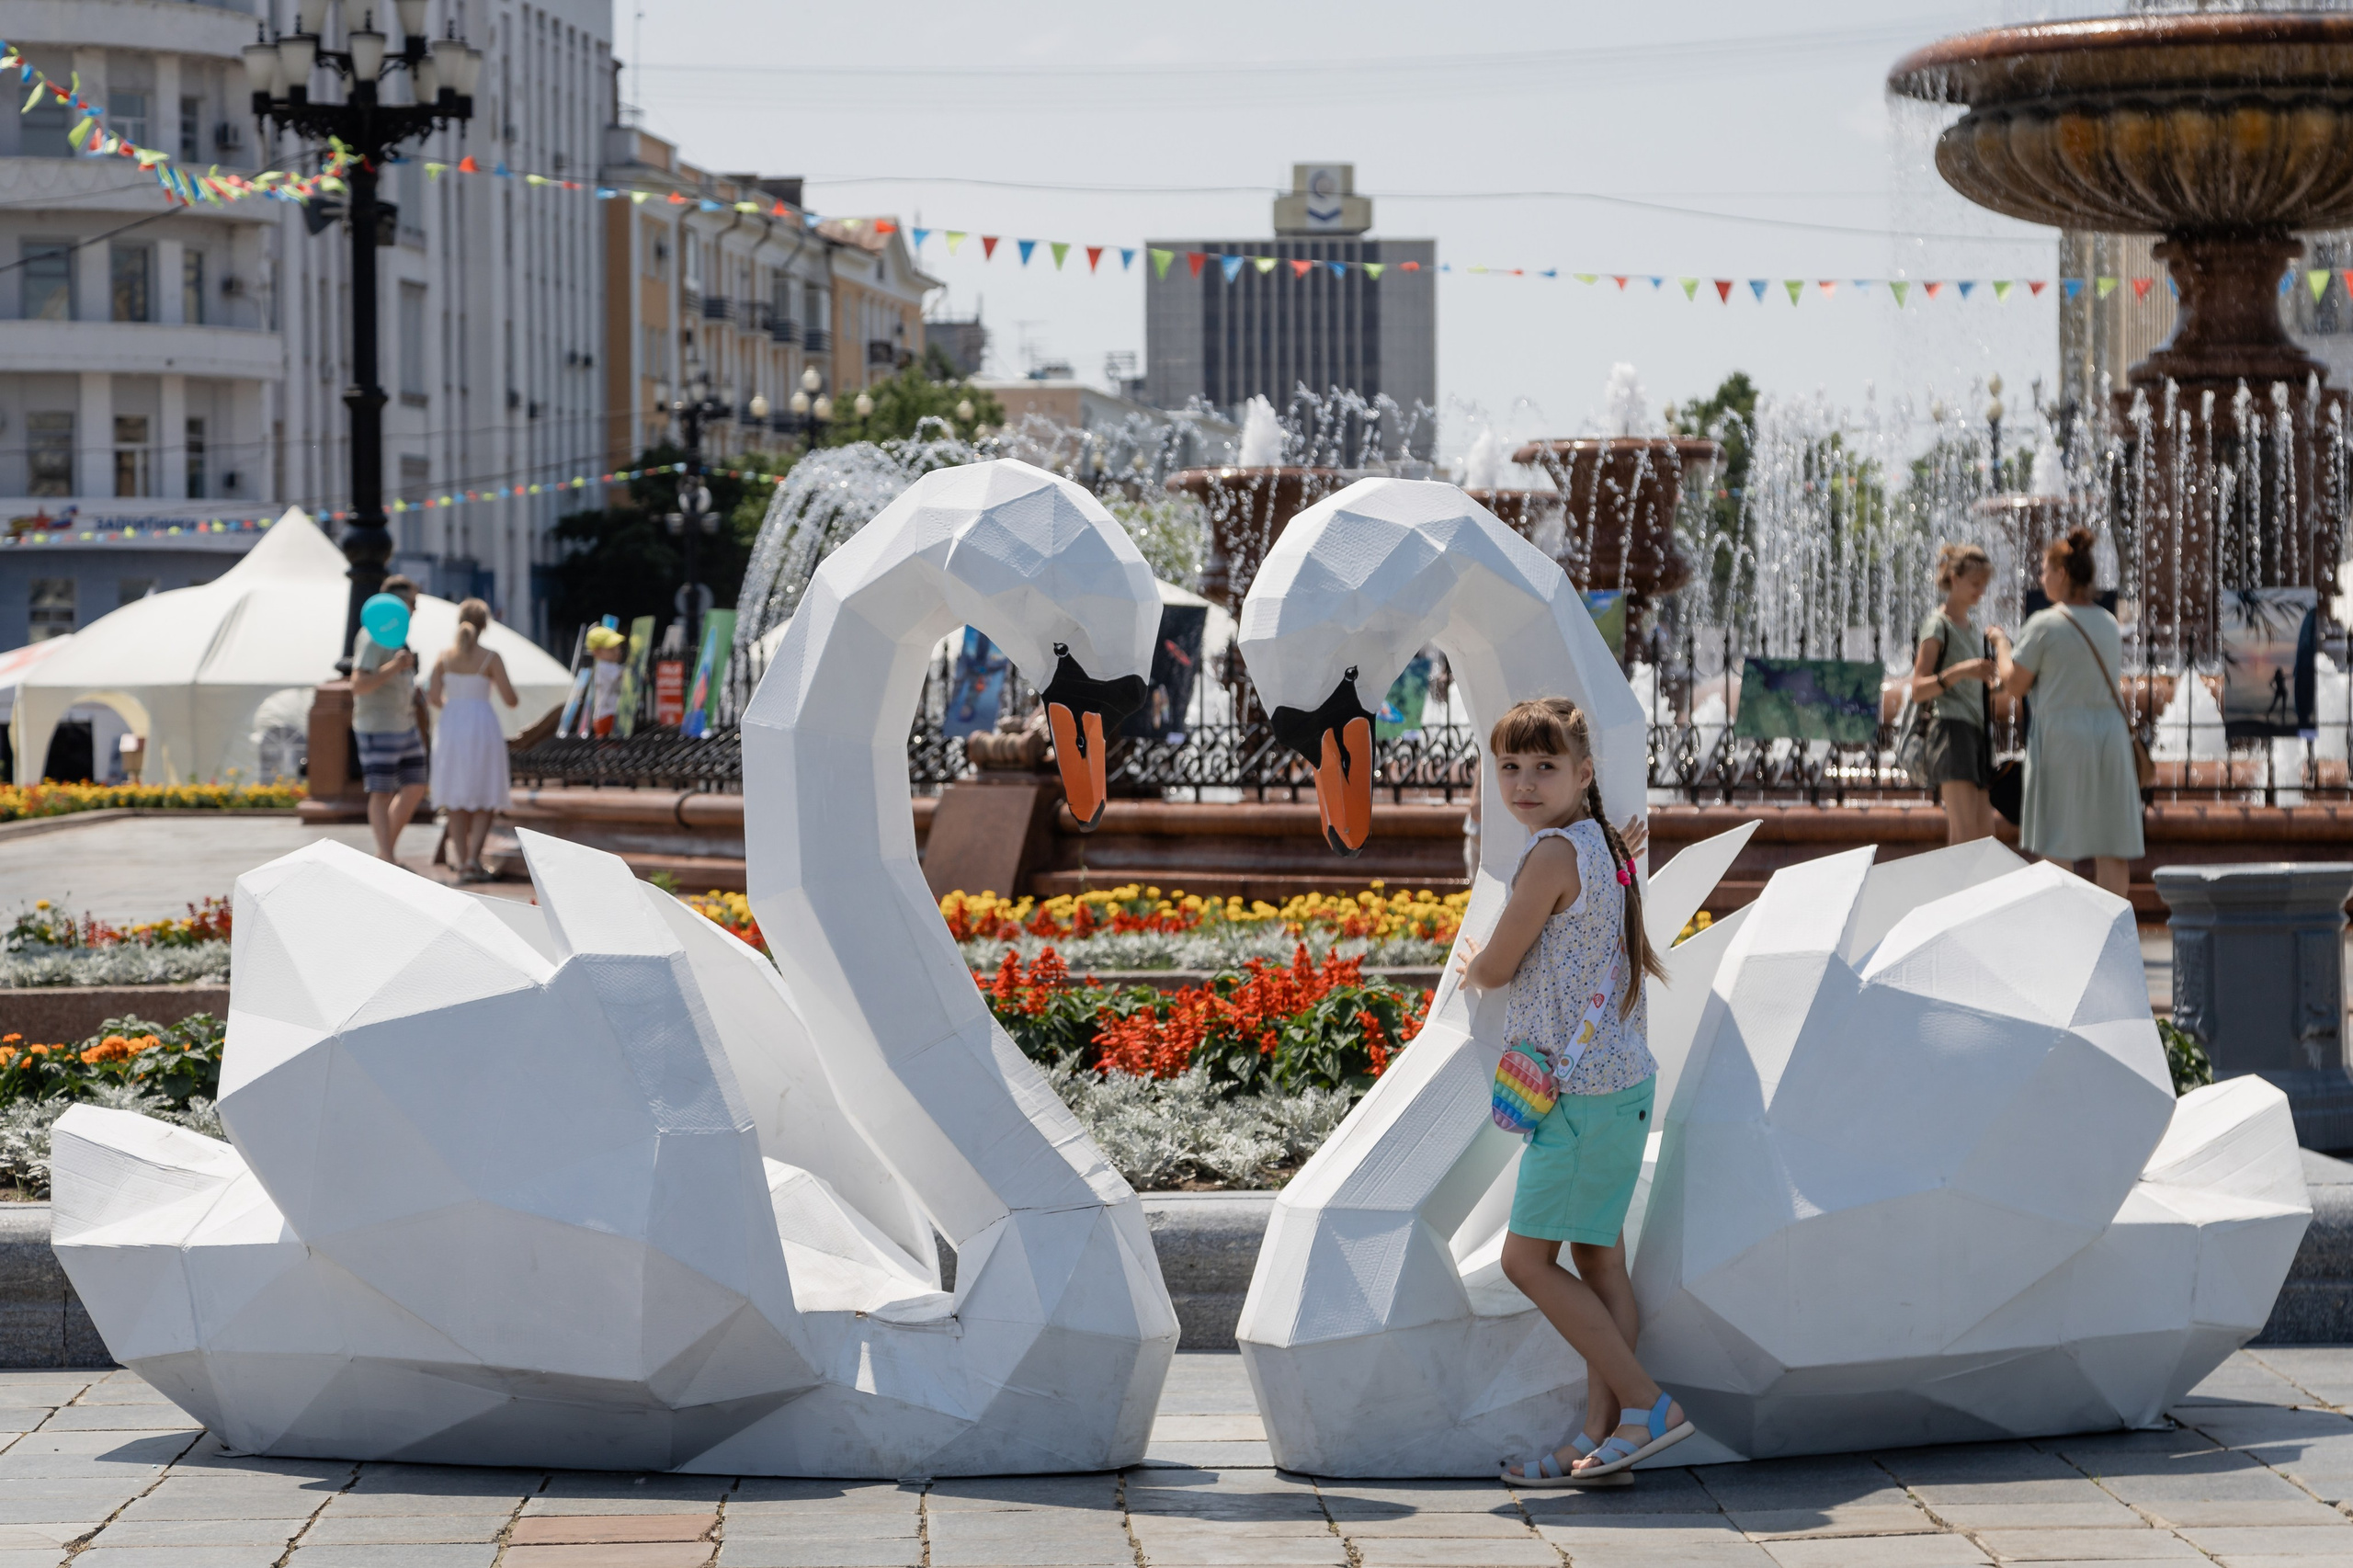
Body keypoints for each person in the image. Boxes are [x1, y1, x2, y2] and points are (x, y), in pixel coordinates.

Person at [1460, 697, 1694, 1485]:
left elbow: (1498, 964)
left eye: (1545, 766)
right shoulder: (1604, 844)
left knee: (1526, 1262)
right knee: (1599, 1264)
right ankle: (1603, 1439)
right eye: (1510, 767)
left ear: (1583, 773)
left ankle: (1648, 1405)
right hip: (1616, 1089)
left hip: (1578, 1101)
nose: (1524, 783)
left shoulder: (1554, 856)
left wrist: (1471, 966)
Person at [1991, 529, 2144, 896]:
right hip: (2110, 738)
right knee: (2111, 844)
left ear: (2062, 573)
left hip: (2061, 738)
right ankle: (2113, 923)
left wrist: (2001, 644)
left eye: (2045, 570)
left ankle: (2066, 922)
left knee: (2057, 841)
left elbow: (2015, 684)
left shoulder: (2045, 624)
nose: (2041, 577)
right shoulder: (2107, 622)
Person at [1911, 542, 1999, 846]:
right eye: (1975, 583)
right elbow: (1917, 689)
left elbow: (1974, 684)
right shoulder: (1938, 625)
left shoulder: (1974, 629)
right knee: (1964, 838)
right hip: (1950, 730)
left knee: (1985, 837)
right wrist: (1962, 671)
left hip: (1976, 733)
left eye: (1984, 584)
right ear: (1954, 578)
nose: (1981, 591)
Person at [428, 597, 519, 881]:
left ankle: (461, 859)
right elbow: (511, 699)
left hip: (451, 725)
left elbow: (433, 697)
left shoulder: (443, 656)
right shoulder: (491, 657)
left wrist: (455, 705)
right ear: (485, 625)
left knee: (455, 796)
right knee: (484, 791)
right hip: (481, 724)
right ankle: (472, 860)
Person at [349, 574, 427, 863]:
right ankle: (387, 856)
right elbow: (358, 684)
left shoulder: (397, 633)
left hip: (404, 722)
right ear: (397, 603)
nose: (416, 609)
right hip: (379, 725)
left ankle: (384, 854)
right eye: (413, 602)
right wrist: (395, 667)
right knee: (381, 791)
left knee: (416, 785)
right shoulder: (372, 635)